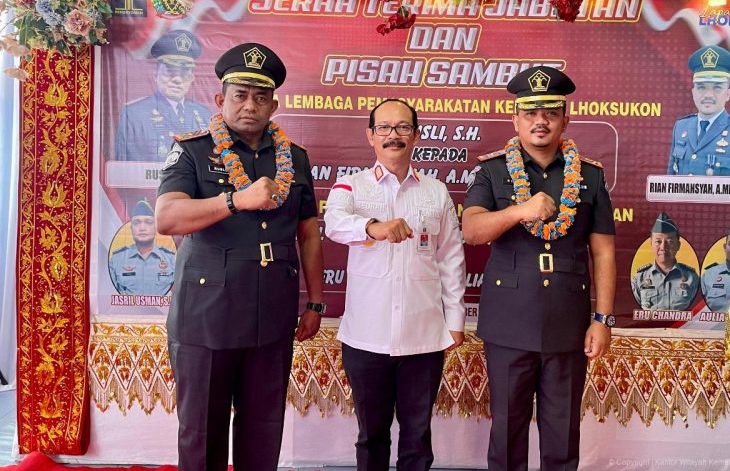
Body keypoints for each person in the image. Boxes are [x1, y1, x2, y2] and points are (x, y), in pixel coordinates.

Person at [155, 42, 325, 471]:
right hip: (206, 314)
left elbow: (308, 233)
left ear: (274, 104)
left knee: (263, 429)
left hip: (271, 312)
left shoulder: (296, 159)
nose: (250, 105)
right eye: (240, 95)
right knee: (202, 432)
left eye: (260, 97)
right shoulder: (192, 150)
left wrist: (316, 302)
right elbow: (167, 217)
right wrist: (234, 200)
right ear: (220, 99)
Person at [462, 66, 617, 471]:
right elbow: (472, 230)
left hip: (568, 324)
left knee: (562, 435)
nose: (540, 120)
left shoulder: (590, 175)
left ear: (565, 118)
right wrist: (519, 210)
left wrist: (602, 319)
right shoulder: (493, 170)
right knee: (507, 432)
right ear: (516, 119)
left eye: (550, 111)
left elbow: (602, 253)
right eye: (530, 112)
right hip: (509, 323)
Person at [324, 99, 466, 471]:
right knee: (371, 436)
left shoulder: (435, 191)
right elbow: (334, 223)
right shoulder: (350, 185)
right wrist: (373, 227)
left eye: (403, 128)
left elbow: (451, 258)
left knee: (417, 437)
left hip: (424, 337)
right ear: (370, 136)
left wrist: (456, 320)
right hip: (365, 338)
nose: (393, 136)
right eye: (384, 128)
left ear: (416, 136)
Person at [667, 45, 730, 177]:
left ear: (728, 94)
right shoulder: (681, 127)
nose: (708, 95)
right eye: (701, 87)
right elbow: (669, 185)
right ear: (693, 92)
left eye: (717, 88)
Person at [116, 30, 212, 161]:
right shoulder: (134, 114)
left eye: (184, 72)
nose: (177, 79)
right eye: (170, 71)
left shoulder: (204, 115)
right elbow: (125, 168)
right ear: (155, 75)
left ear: (192, 77)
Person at [631, 212, 699, 311]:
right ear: (651, 244)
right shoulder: (639, 278)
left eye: (670, 242)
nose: (663, 247)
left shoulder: (692, 277)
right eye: (658, 241)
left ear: (678, 245)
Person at [109, 198, 176, 295]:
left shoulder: (171, 259)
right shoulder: (116, 260)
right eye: (137, 223)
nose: (142, 228)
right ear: (131, 229)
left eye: (148, 222)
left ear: (156, 227)